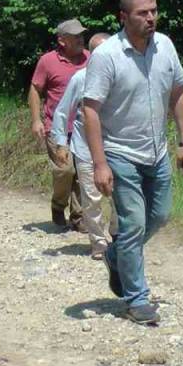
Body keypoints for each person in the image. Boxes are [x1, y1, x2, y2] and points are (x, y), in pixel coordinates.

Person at [82, 0, 183, 327]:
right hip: (120, 152)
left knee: (159, 216)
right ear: (123, 17)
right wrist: (100, 163)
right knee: (134, 224)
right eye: (143, 13)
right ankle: (137, 299)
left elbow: (179, 91)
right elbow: (91, 109)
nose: (151, 18)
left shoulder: (166, 46)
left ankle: (116, 255)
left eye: (154, 11)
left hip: (156, 151)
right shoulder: (108, 55)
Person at [50, 33, 110, 259]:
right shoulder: (80, 78)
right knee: (92, 197)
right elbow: (63, 111)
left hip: (115, 148)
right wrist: (61, 143)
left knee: (119, 197)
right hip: (85, 148)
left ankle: (117, 235)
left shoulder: (121, 76)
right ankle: (99, 243)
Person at [30, 19, 91, 228]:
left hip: (84, 127)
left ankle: (79, 217)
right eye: (75, 36)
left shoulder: (91, 59)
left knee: (82, 173)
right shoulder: (47, 61)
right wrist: (36, 120)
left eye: (82, 35)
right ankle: (58, 205)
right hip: (56, 127)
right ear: (62, 40)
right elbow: (35, 90)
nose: (81, 39)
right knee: (65, 171)